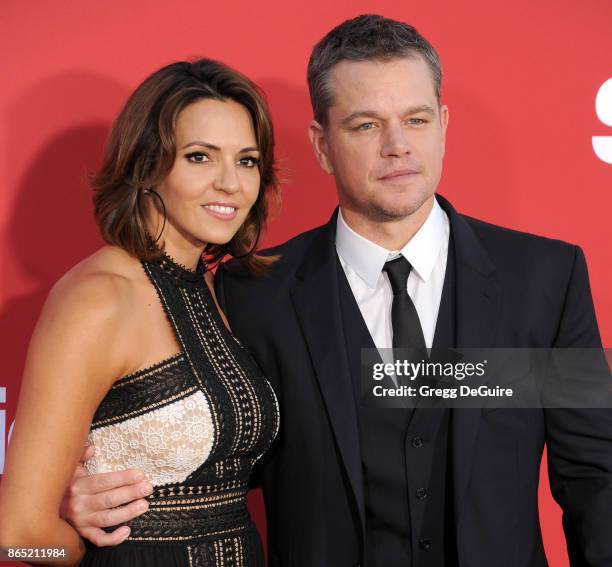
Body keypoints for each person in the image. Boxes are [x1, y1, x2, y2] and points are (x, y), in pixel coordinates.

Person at [61, 14, 612, 567]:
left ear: (443, 124)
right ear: (322, 145)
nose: (398, 146)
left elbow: (596, 472)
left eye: (416, 120)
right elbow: (218, 461)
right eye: (366, 125)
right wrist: (94, 505)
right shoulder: (247, 292)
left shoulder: (546, 277)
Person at [0, 58, 280, 566]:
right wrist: (84, 547)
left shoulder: (220, 289)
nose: (230, 184)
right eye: (200, 157)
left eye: (247, 161)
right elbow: (18, 532)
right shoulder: (97, 298)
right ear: (147, 164)